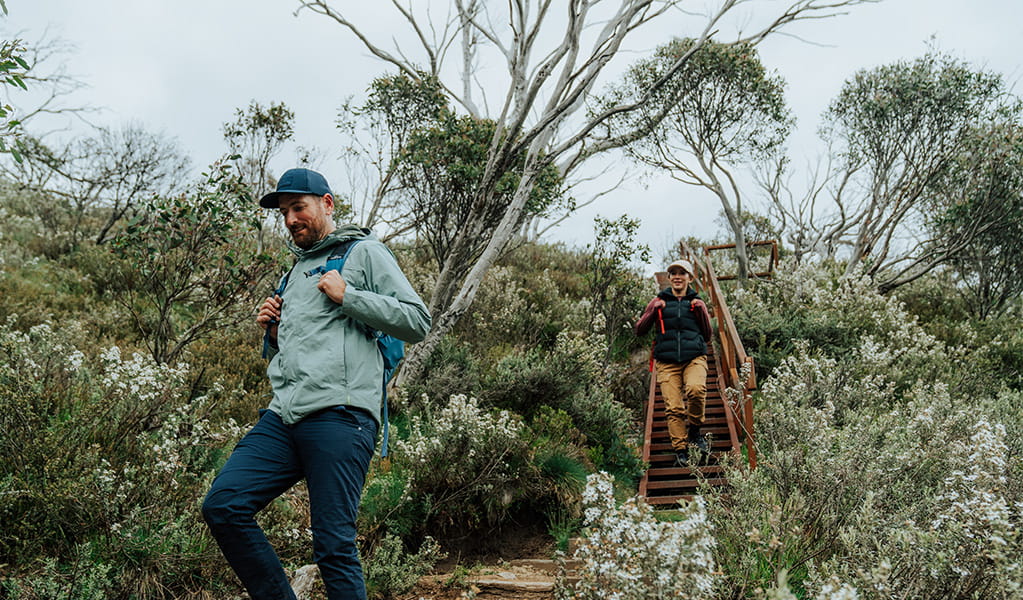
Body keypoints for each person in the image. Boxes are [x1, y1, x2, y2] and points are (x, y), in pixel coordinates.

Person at [202, 168, 432, 600]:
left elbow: (418, 321)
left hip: (340, 416)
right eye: (284, 212)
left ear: (326, 204)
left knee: (333, 547)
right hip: (283, 416)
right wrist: (271, 333)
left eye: (298, 207)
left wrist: (350, 296)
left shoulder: (363, 252)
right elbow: (297, 349)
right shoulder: (292, 274)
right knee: (224, 506)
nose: (290, 219)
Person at [635, 259, 712, 467]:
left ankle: (695, 431)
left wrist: (701, 312)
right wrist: (653, 310)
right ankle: (681, 450)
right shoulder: (658, 301)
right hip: (666, 361)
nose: (678, 276)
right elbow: (639, 329)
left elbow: (707, 335)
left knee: (696, 390)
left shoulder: (697, 303)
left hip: (694, 357)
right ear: (669, 278)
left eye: (682, 273)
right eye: (673, 273)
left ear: (689, 278)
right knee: (674, 407)